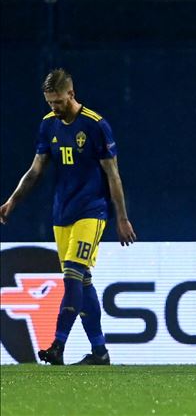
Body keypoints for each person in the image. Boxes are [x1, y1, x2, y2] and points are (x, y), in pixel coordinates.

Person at [0, 68, 137, 365]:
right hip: (62, 214)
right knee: (83, 281)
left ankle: (57, 345)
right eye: (50, 102)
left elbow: (113, 175)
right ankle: (100, 352)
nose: (54, 107)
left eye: (58, 101)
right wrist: (12, 201)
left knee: (72, 275)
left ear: (71, 94)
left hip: (92, 211)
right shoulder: (48, 125)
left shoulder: (96, 125)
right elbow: (35, 170)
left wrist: (121, 218)